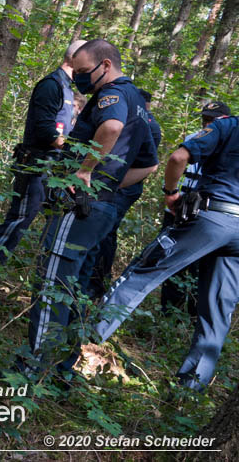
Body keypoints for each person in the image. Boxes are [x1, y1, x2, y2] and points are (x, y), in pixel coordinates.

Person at [27, 39, 158, 372]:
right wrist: (111, 183)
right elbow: (149, 166)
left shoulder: (111, 96)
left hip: (83, 206)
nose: (80, 78)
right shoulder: (140, 107)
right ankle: (61, 369)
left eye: (84, 71)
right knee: (74, 286)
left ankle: (33, 369)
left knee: (53, 280)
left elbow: (111, 127)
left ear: (105, 66)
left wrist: (86, 172)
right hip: (104, 208)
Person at [94, 112, 239, 392]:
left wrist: (171, 193)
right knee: (218, 312)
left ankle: (84, 342)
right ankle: (189, 391)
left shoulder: (228, 125)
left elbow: (177, 158)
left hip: (211, 217)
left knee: (143, 271)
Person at [0, 41, 86, 266]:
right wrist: (70, 149)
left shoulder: (68, 88)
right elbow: (44, 129)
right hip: (37, 164)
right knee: (20, 217)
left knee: (56, 218)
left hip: (56, 167)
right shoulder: (51, 85)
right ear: (74, 59)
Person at [87, 89, 162, 298]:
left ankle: (96, 282)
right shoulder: (143, 121)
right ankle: (96, 280)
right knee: (105, 231)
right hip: (123, 183)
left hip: (124, 184)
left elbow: (144, 161)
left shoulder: (146, 124)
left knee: (105, 232)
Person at [159, 101, 231, 316]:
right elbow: (177, 164)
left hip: (208, 212)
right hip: (179, 207)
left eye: (212, 119)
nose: (207, 123)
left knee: (201, 266)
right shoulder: (192, 139)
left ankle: (190, 314)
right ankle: (168, 312)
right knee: (170, 259)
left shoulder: (227, 142)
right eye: (205, 119)